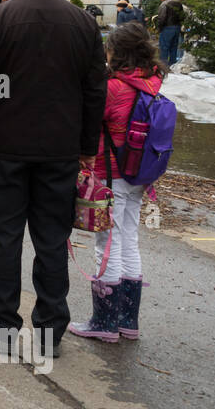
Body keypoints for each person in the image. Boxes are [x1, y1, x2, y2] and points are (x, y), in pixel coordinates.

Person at [0, 0, 108, 357]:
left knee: (4, 236)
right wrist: (86, 147)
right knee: (52, 240)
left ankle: (2, 325)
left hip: (6, 148)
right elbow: (96, 92)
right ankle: (49, 332)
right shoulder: (83, 23)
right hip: (60, 151)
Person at [68, 23, 164, 343]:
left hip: (112, 177)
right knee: (129, 241)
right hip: (139, 177)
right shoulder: (152, 84)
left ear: (116, 53)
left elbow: (87, 121)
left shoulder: (113, 89)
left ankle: (104, 322)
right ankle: (127, 321)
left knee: (106, 246)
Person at [154, 0, 184, 65]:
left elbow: (162, 17)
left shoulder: (164, 4)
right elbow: (182, 16)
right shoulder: (178, 3)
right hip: (177, 27)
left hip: (167, 27)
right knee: (174, 47)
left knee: (164, 47)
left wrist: (159, 28)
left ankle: (163, 65)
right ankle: (172, 64)